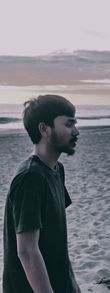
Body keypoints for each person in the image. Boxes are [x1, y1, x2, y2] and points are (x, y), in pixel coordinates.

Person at [2, 95, 81, 293]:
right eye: (69, 124)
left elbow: (55, 236)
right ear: (44, 129)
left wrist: (71, 283)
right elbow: (27, 251)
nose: (76, 131)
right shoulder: (30, 178)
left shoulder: (56, 170)